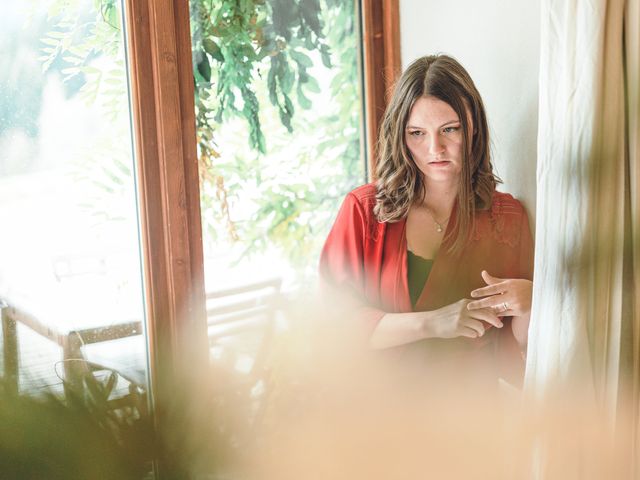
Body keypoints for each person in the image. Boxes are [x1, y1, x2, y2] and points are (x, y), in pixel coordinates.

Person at [319, 54, 534, 387]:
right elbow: (337, 326)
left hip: (475, 416)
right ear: (400, 136)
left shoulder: (506, 218)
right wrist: (434, 322)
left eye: (450, 129)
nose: (436, 148)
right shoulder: (363, 211)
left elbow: (518, 347)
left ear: (474, 126)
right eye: (417, 133)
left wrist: (531, 301)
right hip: (381, 415)